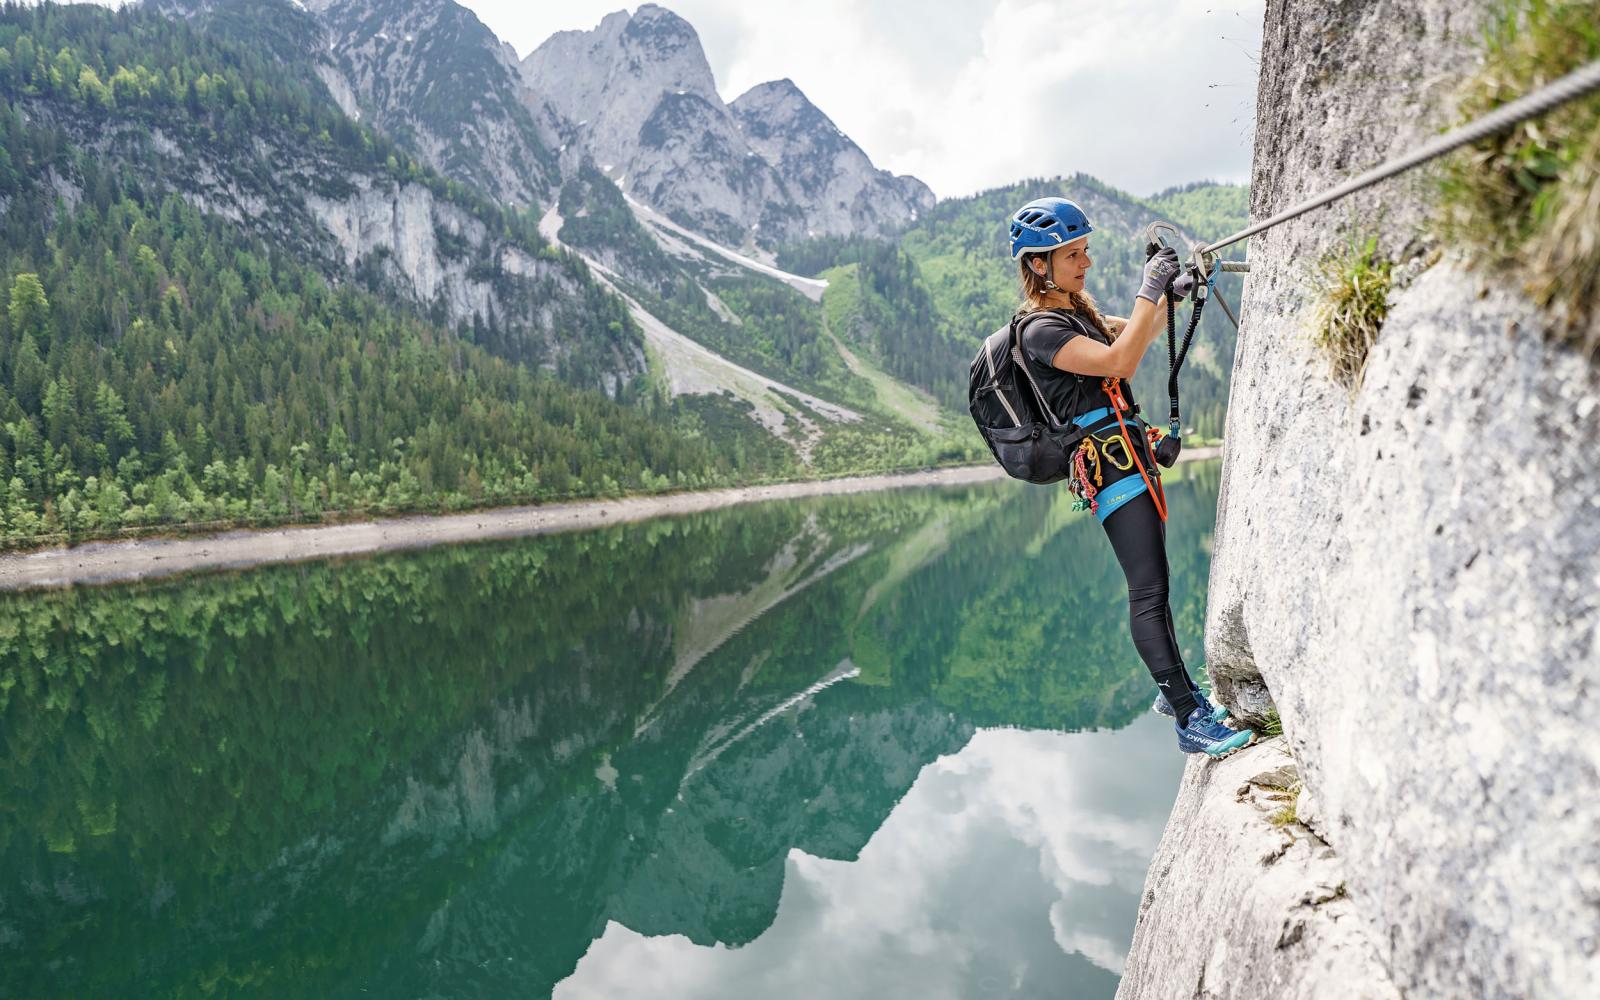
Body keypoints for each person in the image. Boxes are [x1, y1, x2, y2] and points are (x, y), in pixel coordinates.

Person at [1007, 196, 1253, 757]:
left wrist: (1173, 290)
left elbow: (1137, 334)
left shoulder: (1076, 316)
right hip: (1112, 469)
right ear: (1039, 265)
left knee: (1156, 586)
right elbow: (1120, 362)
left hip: (1129, 456)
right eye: (1074, 255)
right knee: (1148, 590)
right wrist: (1150, 288)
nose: (1085, 263)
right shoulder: (1041, 331)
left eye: (1085, 252)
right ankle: (1189, 717)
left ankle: (1179, 692)